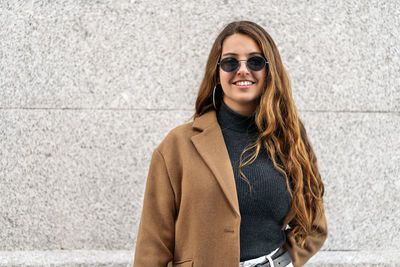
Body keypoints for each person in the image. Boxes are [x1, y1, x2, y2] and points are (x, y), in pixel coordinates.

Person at [133, 21, 328, 267]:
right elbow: (152, 246)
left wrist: (285, 262)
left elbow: (314, 224)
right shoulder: (178, 146)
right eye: (230, 62)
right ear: (217, 72)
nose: (243, 70)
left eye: (255, 61)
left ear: (270, 71)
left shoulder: (289, 138)